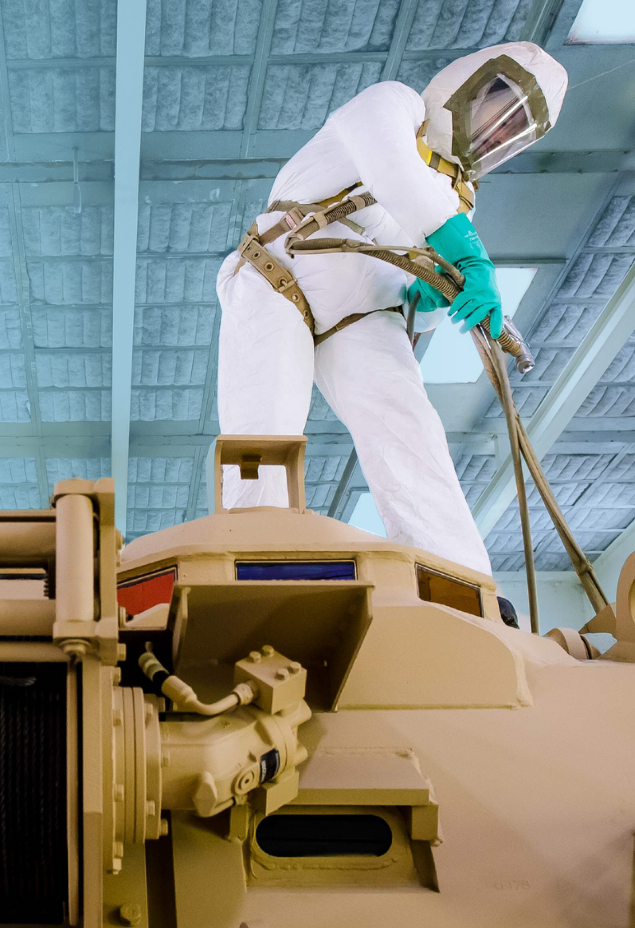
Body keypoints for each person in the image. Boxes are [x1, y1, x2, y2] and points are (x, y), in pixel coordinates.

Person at [215, 42, 568, 577]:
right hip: (276, 271)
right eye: (503, 111)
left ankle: (456, 576)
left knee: (408, 424)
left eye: (514, 132)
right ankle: (254, 559)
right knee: (265, 425)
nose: (498, 134)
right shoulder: (393, 106)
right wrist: (469, 256)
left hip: (362, 309)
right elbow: (391, 170)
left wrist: (427, 297)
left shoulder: (458, 199)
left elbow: (414, 298)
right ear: (473, 87)